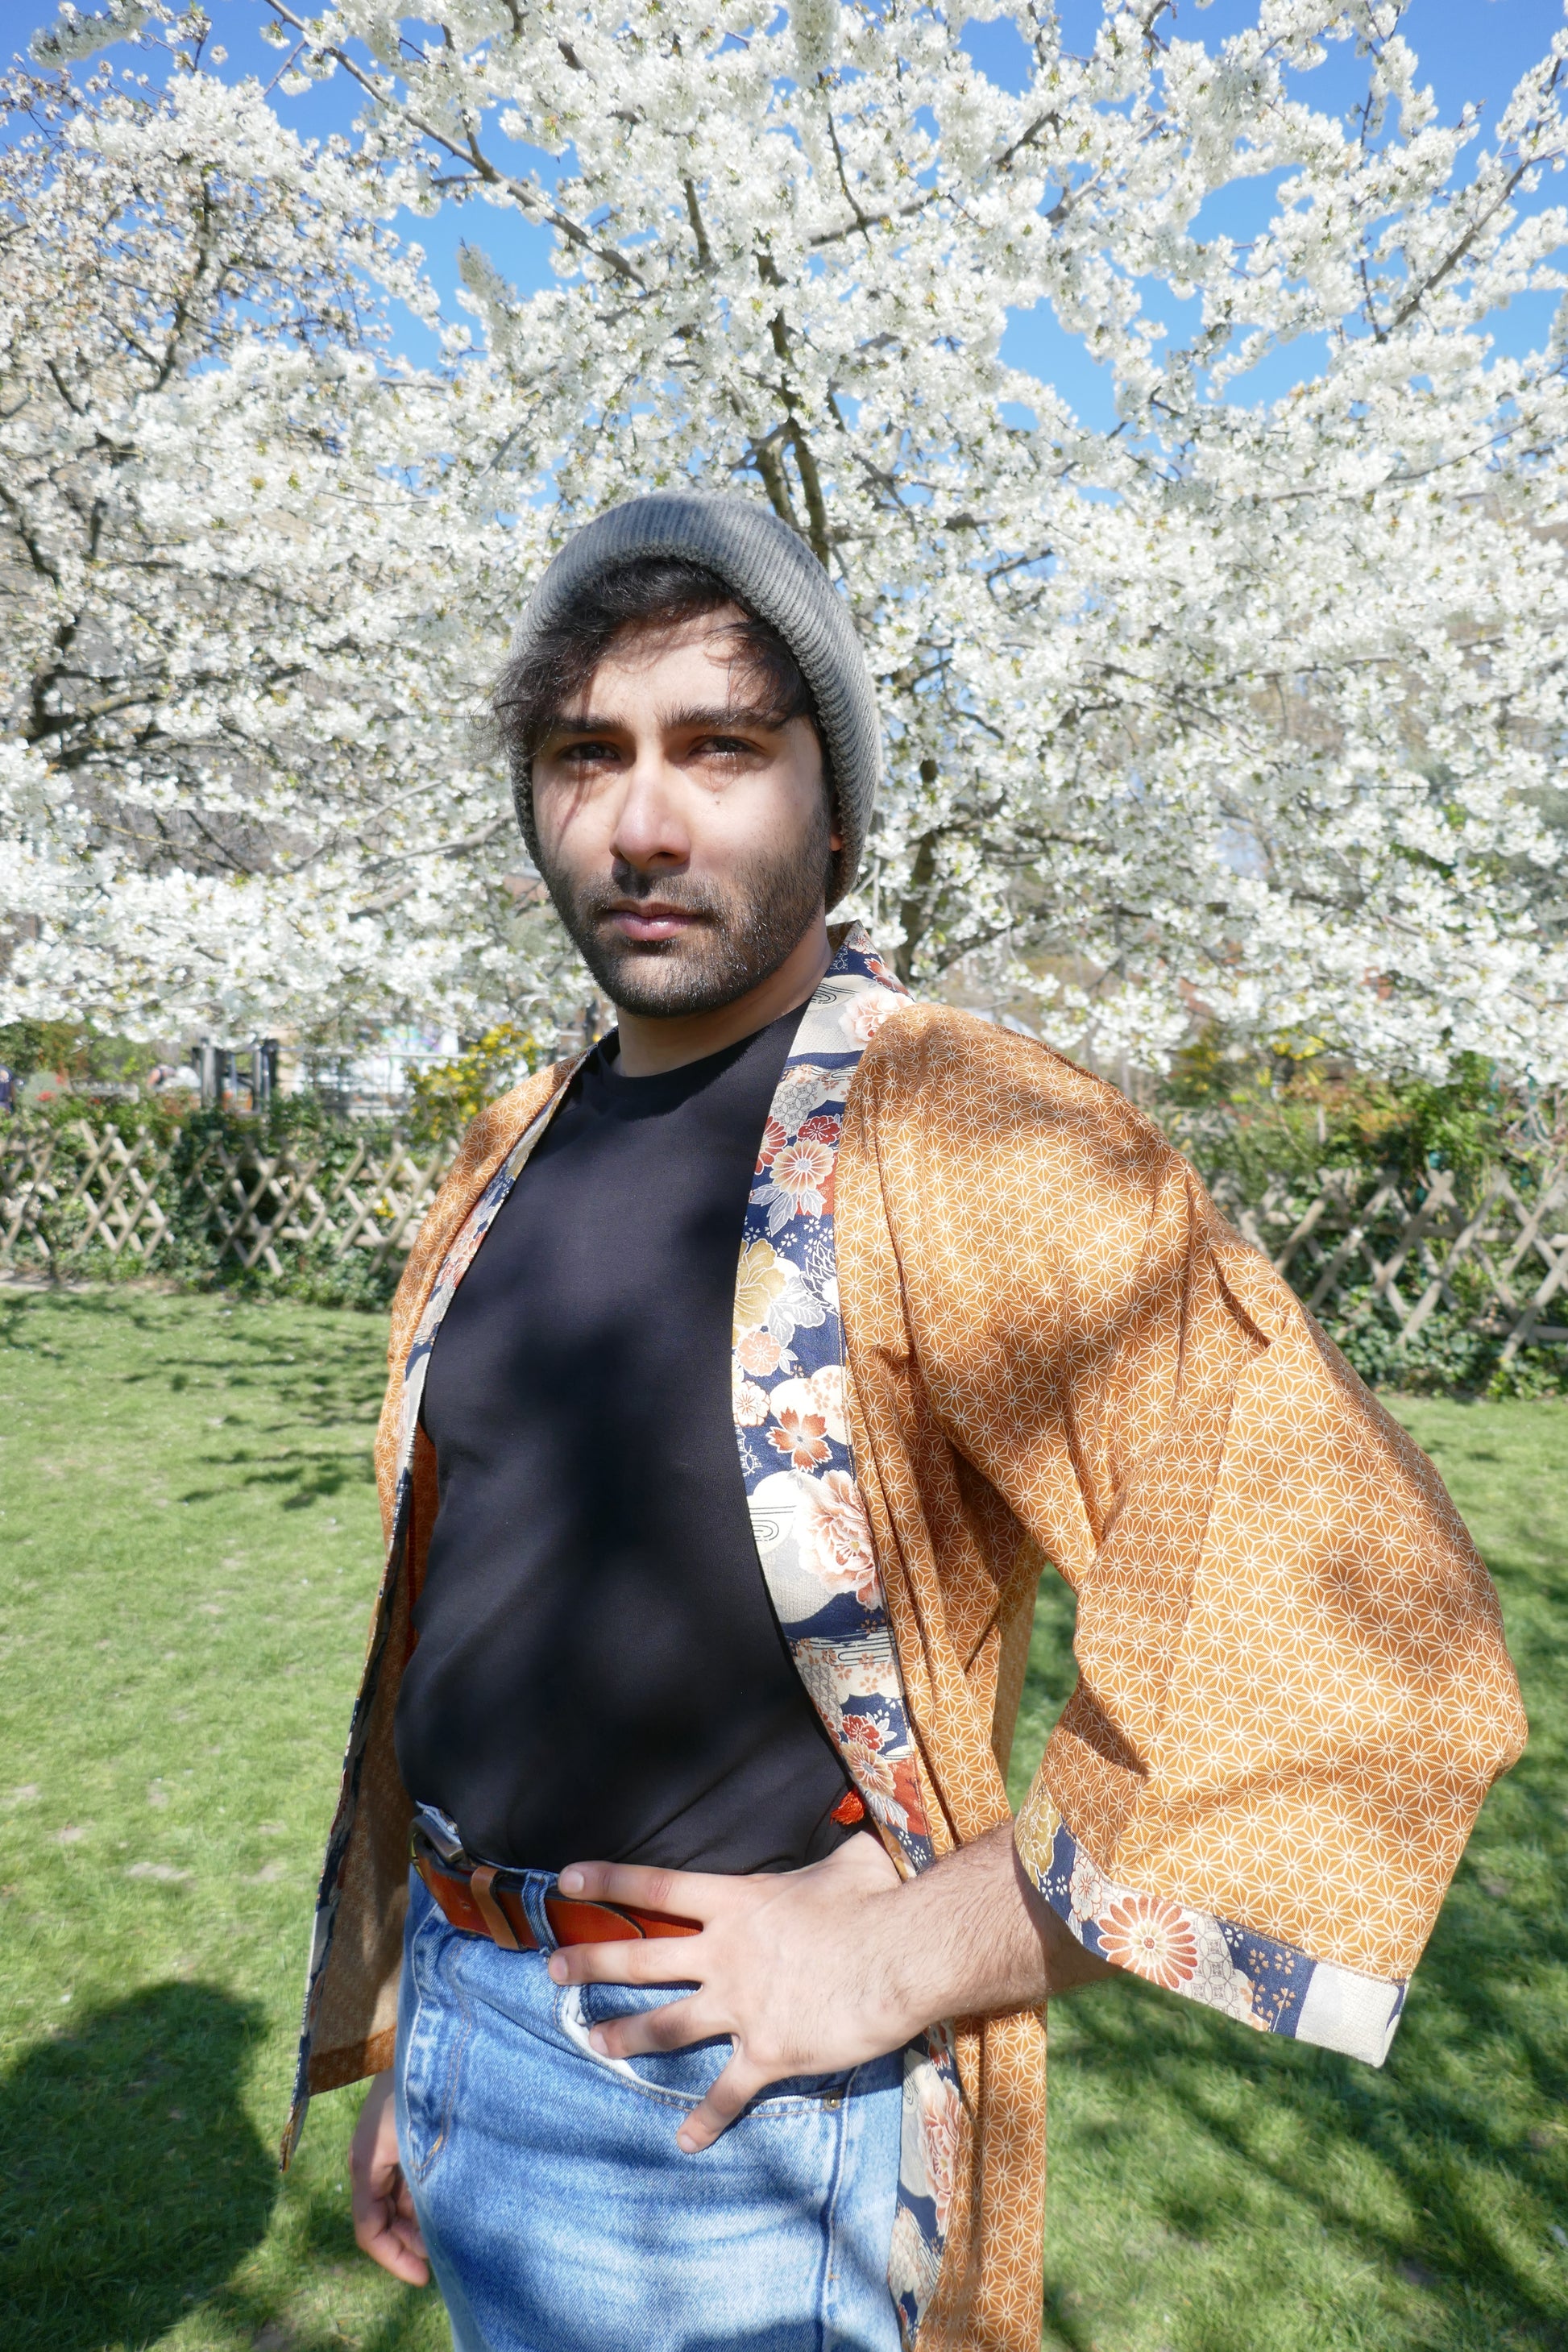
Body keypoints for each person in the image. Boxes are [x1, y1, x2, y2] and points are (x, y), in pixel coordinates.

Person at [284, 493, 1526, 2352]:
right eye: (583, 755)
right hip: (475, 2041)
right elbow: (464, 1620)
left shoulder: (972, 1135)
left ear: (837, 808)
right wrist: (423, 2034)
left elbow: (1365, 1634)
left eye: (721, 748)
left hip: (721, 2134)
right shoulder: (505, 1143)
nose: (641, 817)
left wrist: (901, 1942)